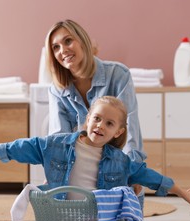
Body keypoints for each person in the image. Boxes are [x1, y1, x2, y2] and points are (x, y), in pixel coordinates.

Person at [0, 96, 190, 208]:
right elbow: (27, 146)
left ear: (118, 132)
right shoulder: (57, 145)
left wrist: (180, 191)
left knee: (133, 189)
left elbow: (150, 176)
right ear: (87, 119)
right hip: (62, 211)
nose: (100, 126)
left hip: (96, 215)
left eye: (109, 124)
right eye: (97, 119)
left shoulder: (120, 161)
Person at [44, 19, 145, 201]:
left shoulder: (118, 75)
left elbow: (131, 131)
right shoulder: (56, 90)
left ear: (82, 41)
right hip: (80, 170)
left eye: (68, 41)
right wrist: (54, 175)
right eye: (55, 47)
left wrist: (134, 171)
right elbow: (58, 138)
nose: (63, 50)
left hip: (116, 168)